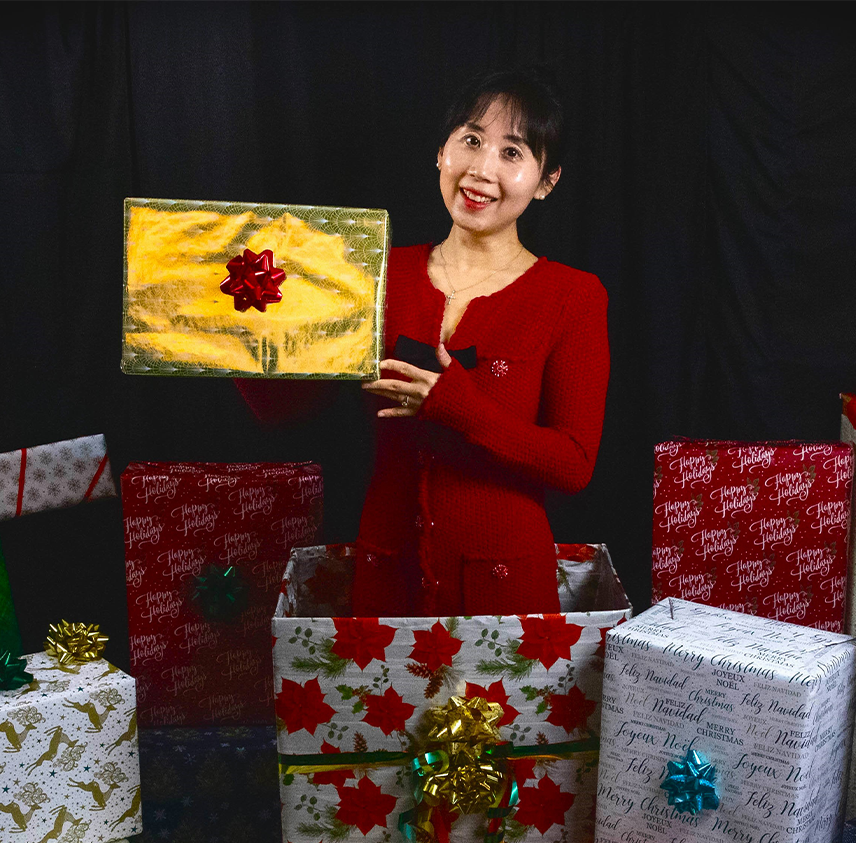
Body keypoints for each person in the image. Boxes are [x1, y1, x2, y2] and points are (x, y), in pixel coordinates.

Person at [242, 67, 609, 616]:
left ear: (546, 180)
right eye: (471, 140)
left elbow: (574, 464)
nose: (482, 170)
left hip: (507, 591)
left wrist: (456, 408)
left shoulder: (572, 296)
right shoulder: (374, 274)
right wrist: (240, 335)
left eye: (512, 153)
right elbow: (285, 407)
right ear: (441, 152)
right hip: (386, 578)